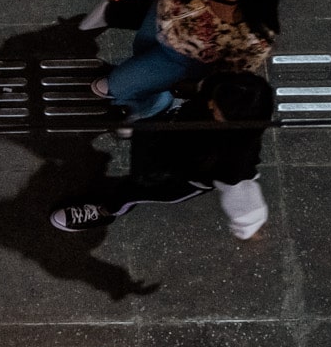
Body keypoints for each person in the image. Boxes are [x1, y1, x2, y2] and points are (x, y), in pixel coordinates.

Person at [86, 0, 285, 123]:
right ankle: (148, 94)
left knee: (119, 85)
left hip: (181, 60)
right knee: (140, 53)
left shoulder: (254, 38)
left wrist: (193, 86)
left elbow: (227, 78)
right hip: (157, 18)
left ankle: (148, 108)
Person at [50, 71, 274, 239]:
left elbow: (241, 192)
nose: (209, 104)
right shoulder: (226, 86)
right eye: (213, 99)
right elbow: (202, 87)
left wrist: (248, 226)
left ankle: (105, 210)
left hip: (178, 177)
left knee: (132, 190)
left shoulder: (237, 156)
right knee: (145, 141)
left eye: (216, 110)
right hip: (168, 135)